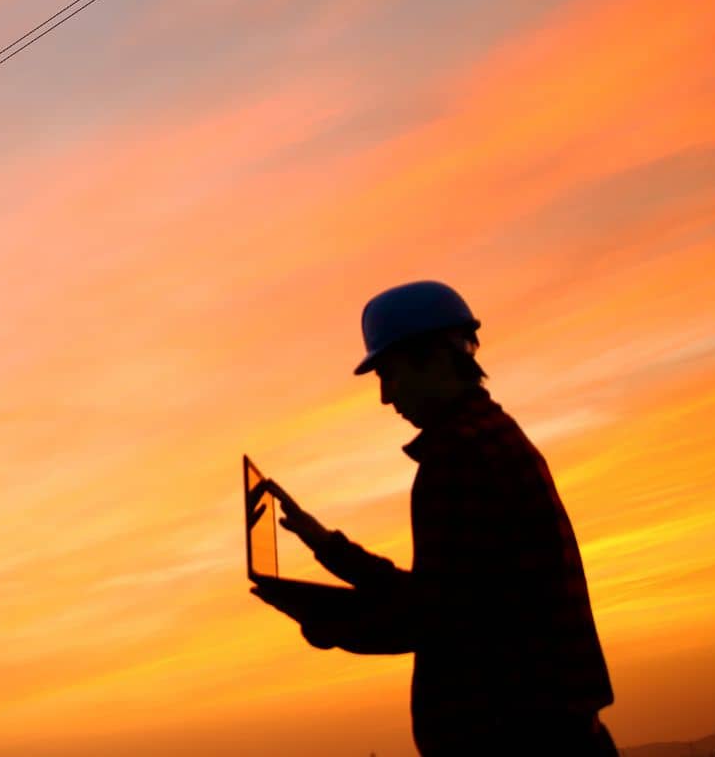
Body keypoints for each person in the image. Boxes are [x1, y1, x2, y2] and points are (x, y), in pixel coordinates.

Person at [250, 281, 616, 756]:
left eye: (391, 374)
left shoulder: (459, 457)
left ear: (438, 358)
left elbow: (437, 621)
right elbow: (445, 597)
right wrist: (326, 546)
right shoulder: (490, 439)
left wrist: (325, 621)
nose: (385, 397)